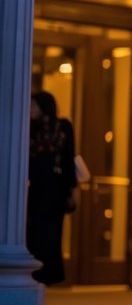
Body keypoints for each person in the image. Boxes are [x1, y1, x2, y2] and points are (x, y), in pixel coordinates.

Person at [27, 91, 79, 286]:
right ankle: (35, 273)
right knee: (33, 231)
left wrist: (73, 190)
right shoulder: (30, 127)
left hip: (55, 188)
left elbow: (69, 158)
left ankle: (48, 274)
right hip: (34, 187)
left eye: (34, 105)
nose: (31, 109)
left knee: (51, 233)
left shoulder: (63, 127)